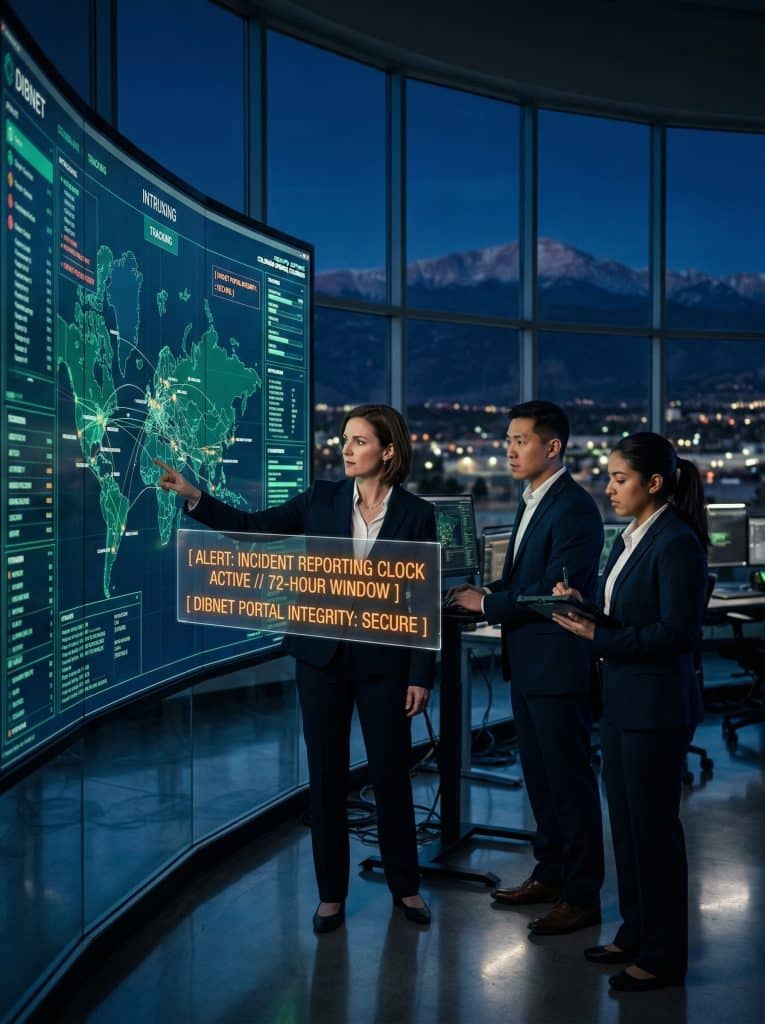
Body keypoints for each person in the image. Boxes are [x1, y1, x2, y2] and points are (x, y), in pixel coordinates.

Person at [154, 404, 435, 933]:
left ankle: (408, 887)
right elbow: (254, 530)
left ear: (389, 451)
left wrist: (422, 674)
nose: (345, 450)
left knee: (390, 777)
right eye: (344, 440)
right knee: (326, 779)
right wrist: (194, 497)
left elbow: (421, 602)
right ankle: (331, 895)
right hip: (321, 662)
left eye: (357, 441)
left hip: (385, 665)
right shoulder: (323, 500)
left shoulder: (417, 513)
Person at [552, 432, 708, 991]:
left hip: (656, 707)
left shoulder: (676, 543)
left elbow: (676, 634)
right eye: (610, 477)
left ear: (655, 483)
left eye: (620, 479)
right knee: (628, 826)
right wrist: (583, 609)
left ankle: (664, 957)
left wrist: (598, 636)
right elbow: (627, 616)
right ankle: (635, 931)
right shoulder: (629, 538)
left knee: (654, 833)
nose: (609, 487)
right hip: (622, 702)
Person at [453, 400, 604, 935]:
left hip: (557, 666)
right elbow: (524, 578)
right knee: (541, 778)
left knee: (570, 782)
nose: (510, 449)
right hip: (530, 663)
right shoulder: (535, 499)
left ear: (552, 446)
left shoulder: (574, 509)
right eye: (509, 440)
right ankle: (552, 872)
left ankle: (583, 896)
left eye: (520, 440)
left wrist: (487, 606)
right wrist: (484, 593)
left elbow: (551, 594)